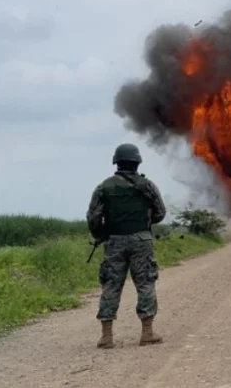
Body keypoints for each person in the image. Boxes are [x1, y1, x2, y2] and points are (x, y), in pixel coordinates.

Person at [87, 142, 168, 348]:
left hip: (114, 241)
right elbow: (160, 213)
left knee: (111, 285)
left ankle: (106, 337)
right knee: (145, 283)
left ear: (116, 162)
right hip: (142, 240)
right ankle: (147, 333)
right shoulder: (147, 186)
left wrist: (101, 234)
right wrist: (143, 223)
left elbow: (93, 217)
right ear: (137, 163)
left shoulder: (104, 187)